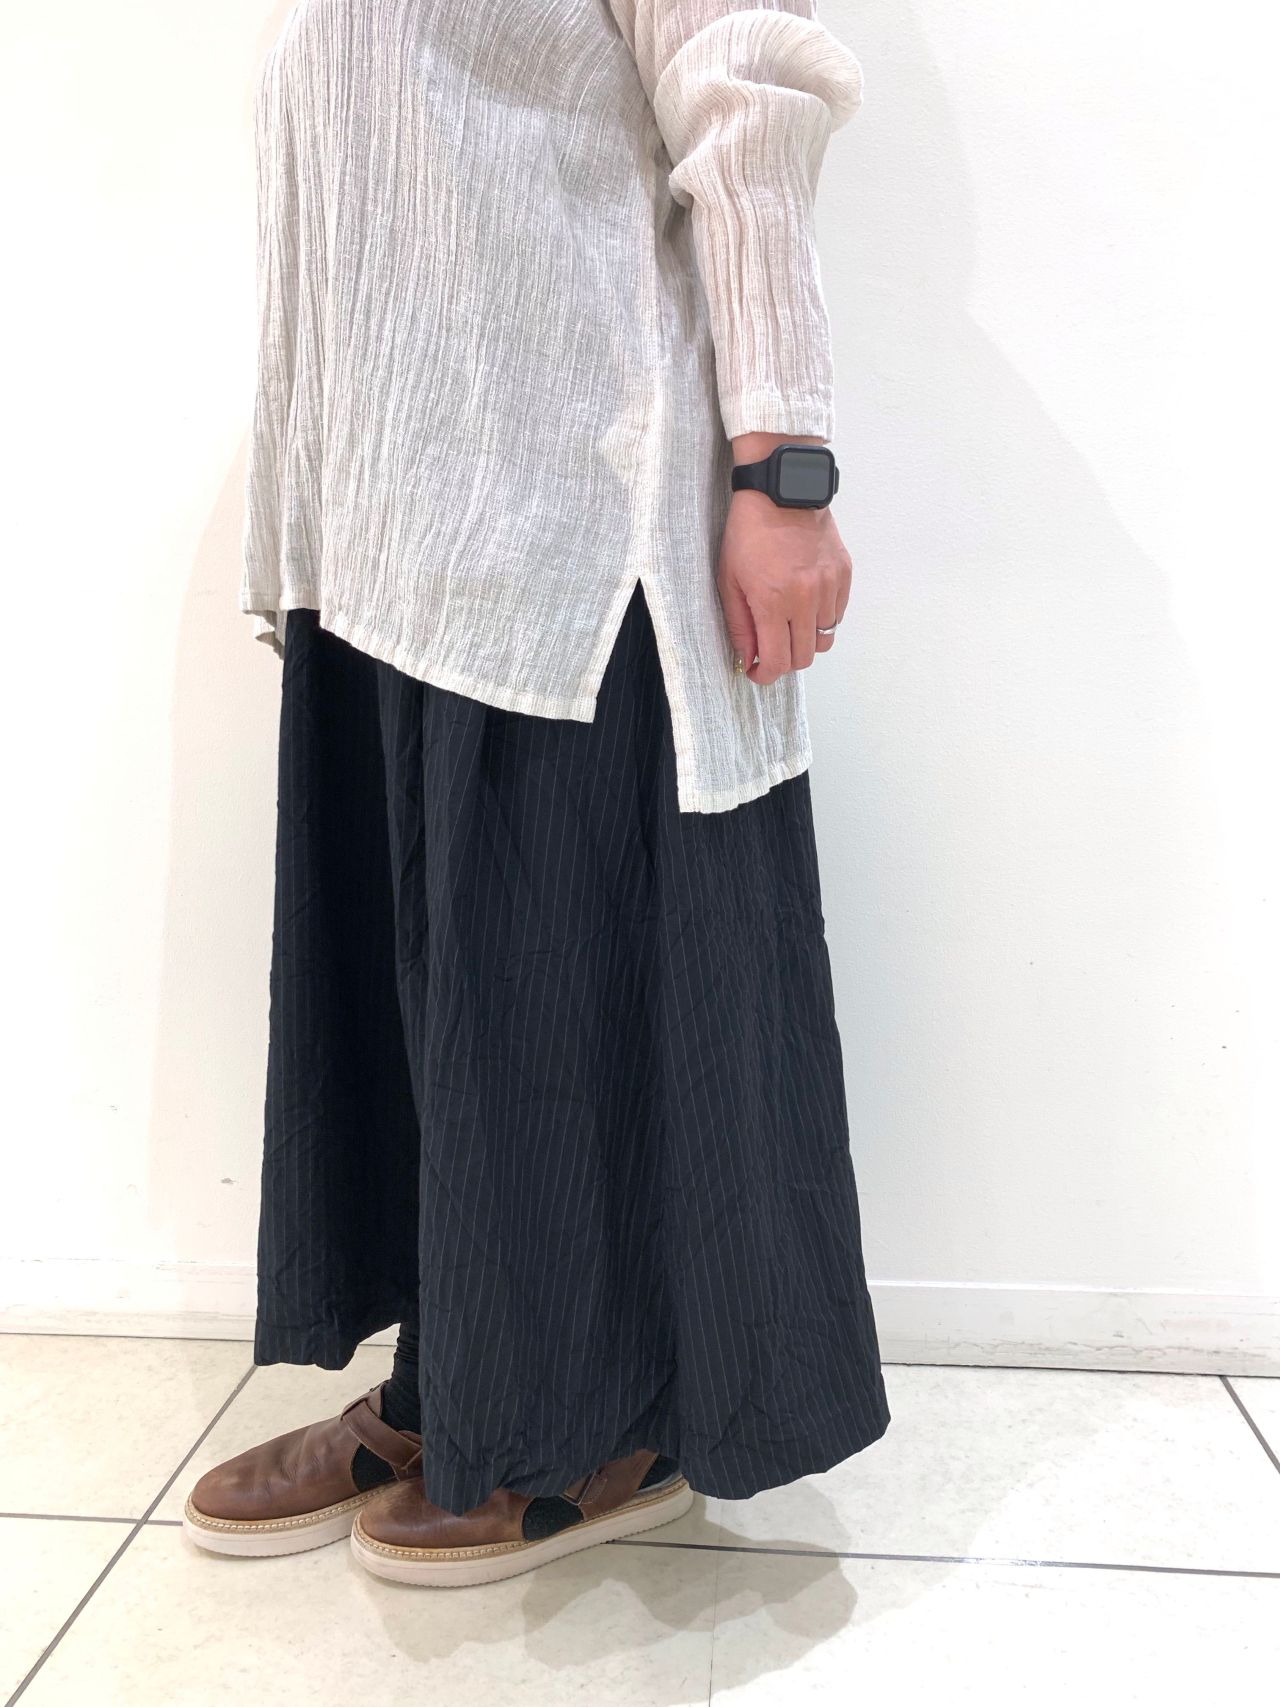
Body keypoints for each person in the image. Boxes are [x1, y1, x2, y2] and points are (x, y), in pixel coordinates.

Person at [184, 0, 890, 1588]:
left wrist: (785, 470)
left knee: (554, 999)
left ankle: (595, 1428)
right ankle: (457, 1384)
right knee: (442, 1011)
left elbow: (749, 89)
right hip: (395, 533)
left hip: (569, 518)